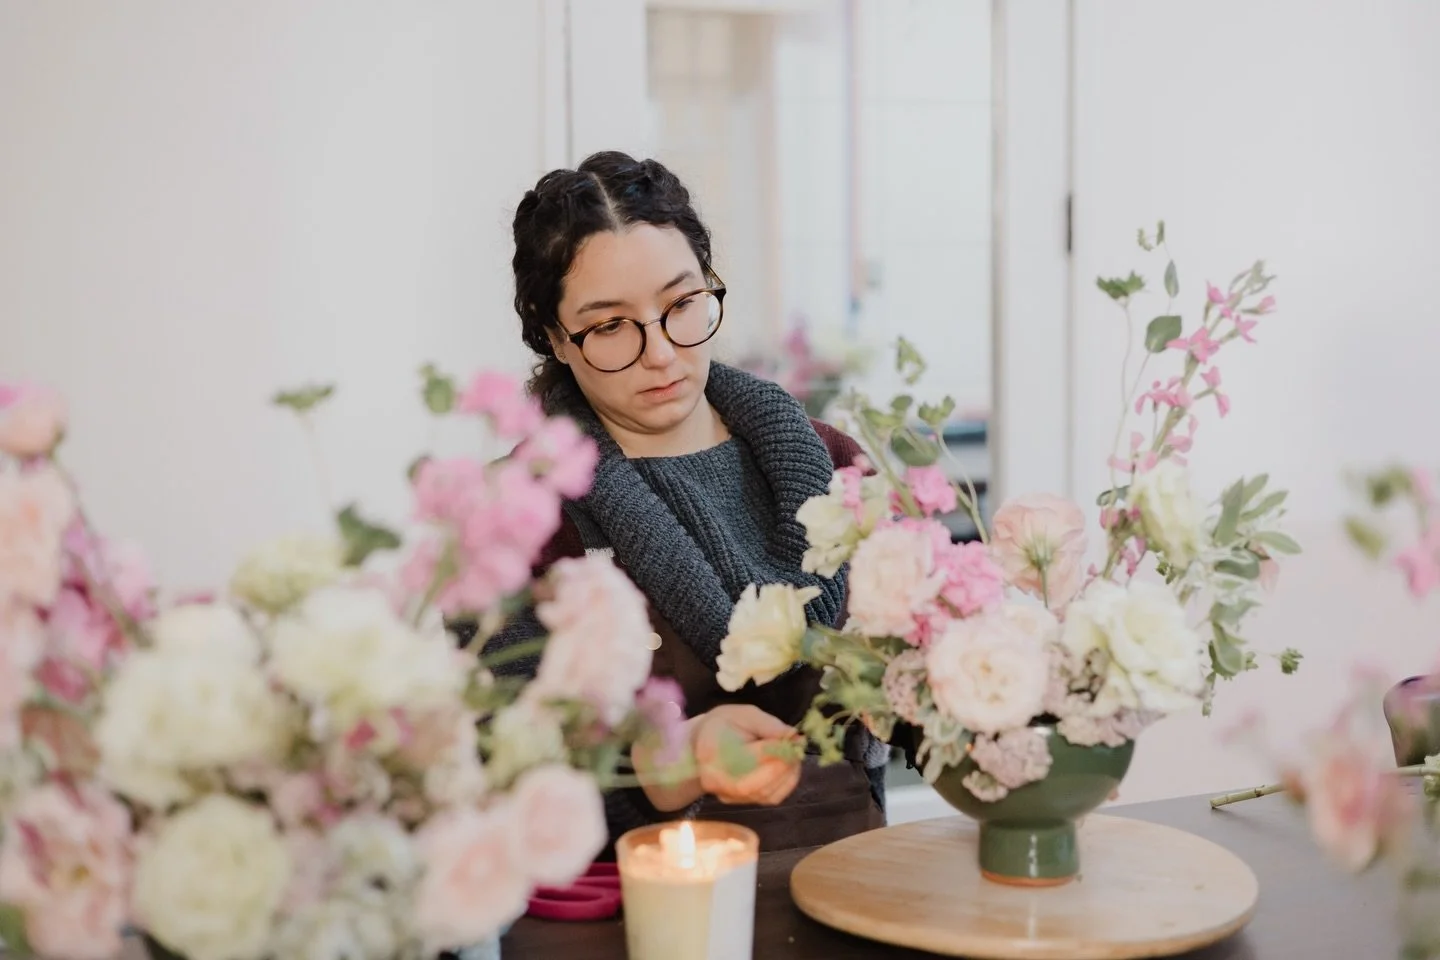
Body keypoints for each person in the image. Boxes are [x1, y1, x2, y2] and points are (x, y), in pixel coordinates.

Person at [475, 150, 888, 855]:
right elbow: (495, 764)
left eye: (682, 305)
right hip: (622, 916)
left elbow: (921, 688)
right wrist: (674, 757)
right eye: (609, 326)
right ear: (554, 337)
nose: (661, 353)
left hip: (854, 882)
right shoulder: (521, 511)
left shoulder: (835, 464)